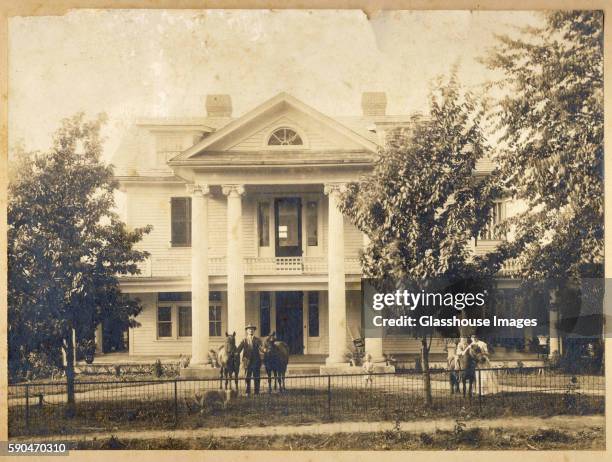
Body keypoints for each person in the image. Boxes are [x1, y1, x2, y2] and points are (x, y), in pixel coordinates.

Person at [236, 324, 263, 395]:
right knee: (247, 376)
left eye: (252, 329)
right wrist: (235, 353)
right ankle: (248, 391)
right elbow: (239, 349)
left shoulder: (257, 340)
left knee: (256, 376)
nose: (251, 330)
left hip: (256, 361)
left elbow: (261, 348)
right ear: (247, 331)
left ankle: (257, 391)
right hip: (247, 361)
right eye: (249, 329)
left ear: (254, 331)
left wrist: (265, 350)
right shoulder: (244, 340)